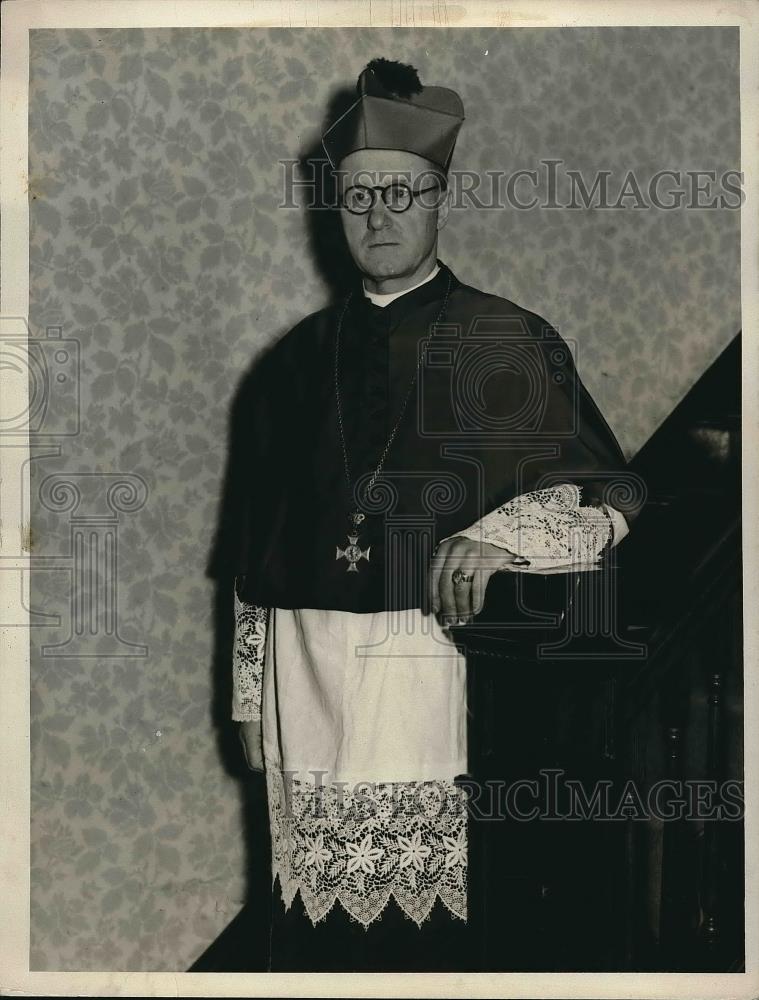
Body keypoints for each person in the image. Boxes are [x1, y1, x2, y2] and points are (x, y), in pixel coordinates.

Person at [208, 57, 635, 972]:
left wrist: (499, 534)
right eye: (357, 196)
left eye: (401, 192)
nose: (379, 215)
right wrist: (249, 694)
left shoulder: (500, 335)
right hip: (302, 669)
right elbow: (255, 549)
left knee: (423, 938)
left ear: (440, 199)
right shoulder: (289, 364)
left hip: (435, 666)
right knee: (306, 924)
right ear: (335, 209)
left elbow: (603, 496)